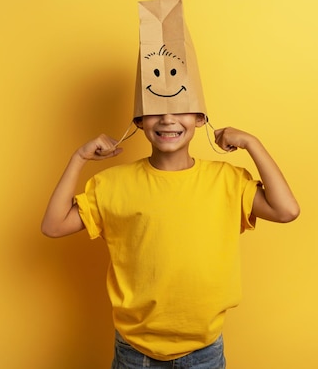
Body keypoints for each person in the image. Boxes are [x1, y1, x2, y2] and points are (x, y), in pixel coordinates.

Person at [41, 111, 300, 368]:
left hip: (204, 351)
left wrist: (252, 144)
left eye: (180, 110)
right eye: (154, 111)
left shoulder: (227, 180)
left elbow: (285, 210)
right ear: (139, 121)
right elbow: (54, 225)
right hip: (135, 351)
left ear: (200, 118)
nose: (167, 119)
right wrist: (79, 158)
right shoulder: (112, 184)